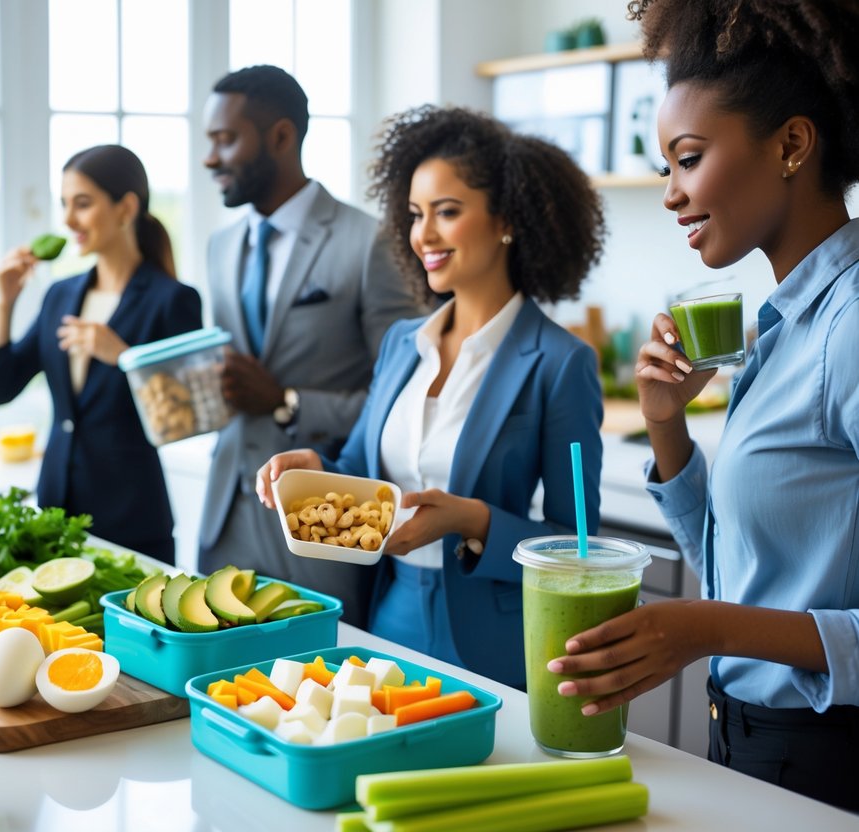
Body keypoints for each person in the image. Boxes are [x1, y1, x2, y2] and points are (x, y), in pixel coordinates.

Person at [548, 0, 859, 811]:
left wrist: (705, 628)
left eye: (688, 159)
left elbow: (727, 607)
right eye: (664, 169)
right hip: (744, 738)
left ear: (791, 145)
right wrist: (664, 422)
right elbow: (741, 563)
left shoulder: (850, 328)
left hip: (828, 759)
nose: (672, 194)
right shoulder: (781, 325)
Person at [257, 105, 607, 689]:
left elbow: (580, 551)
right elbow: (367, 476)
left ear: (506, 220)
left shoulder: (559, 362)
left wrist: (469, 520)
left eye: (447, 212)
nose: (424, 234)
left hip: (493, 639)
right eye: (416, 214)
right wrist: (317, 470)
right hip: (386, 621)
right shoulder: (402, 343)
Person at [198, 65, 423, 627]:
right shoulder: (220, 246)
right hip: (225, 512)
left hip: (321, 517)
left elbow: (401, 395)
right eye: (209, 141)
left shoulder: (370, 241)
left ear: (280, 136)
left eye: (226, 139)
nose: (210, 158)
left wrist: (287, 401)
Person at [0, 145, 201, 564]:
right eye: (64, 204)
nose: (67, 220)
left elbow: (183, 417)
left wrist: (122, 356)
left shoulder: (173, 300)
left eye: (82, 204)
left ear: (126, 207)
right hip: (54, 514)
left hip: (132, 520)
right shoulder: (59, 295)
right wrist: (3, 304)